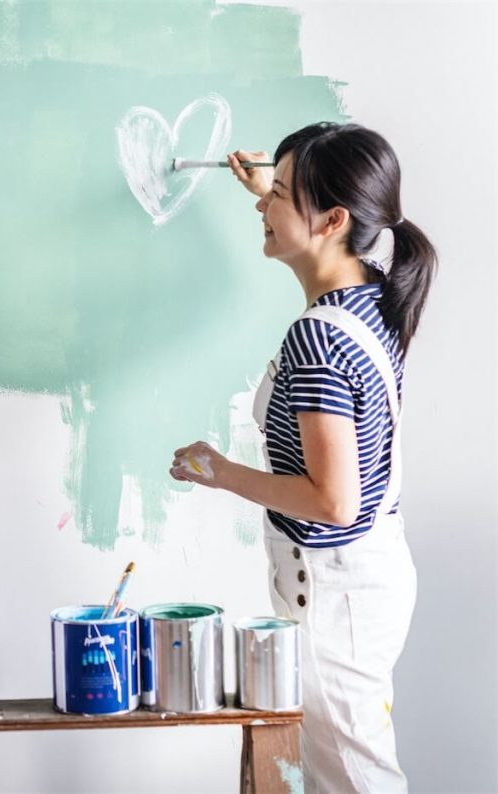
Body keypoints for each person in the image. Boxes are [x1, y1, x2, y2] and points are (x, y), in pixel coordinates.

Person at [169, 123, 436, 793]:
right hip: (366, 582)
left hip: (333, 595)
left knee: (353, 778)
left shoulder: (317, 338)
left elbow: (330, 501)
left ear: (334, 218)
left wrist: (220, 472)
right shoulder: (375, 293)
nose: (263, 206)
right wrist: (278, 188)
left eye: (280, 195)